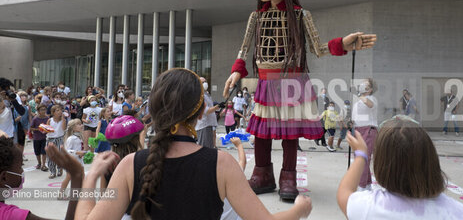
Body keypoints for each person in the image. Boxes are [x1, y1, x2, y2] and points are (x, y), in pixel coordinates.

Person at [223, 0, 377, 199]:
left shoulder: (300, 15)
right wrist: (236, 71)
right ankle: (262, 175)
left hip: (292, 82)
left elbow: (317, 48)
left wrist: (344, 44)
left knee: (289, 134)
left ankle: (288, 176)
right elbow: (244, 49)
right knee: (261, 133)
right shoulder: (256, 17)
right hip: (265, 83)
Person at [75, 68, 312, 220]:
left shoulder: (130, 165)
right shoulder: (222, 165)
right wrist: (299, 210)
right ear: (200, 114)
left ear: (154, 111)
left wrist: (91, 176)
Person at [337, 116, 463, 219]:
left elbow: (344, 192)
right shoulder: (458, 213)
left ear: (383, 165)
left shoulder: (369, 207)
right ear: (431, 160)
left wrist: (361, 155)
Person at [351, 78, 378, 190]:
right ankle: (366, 186)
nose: (362, 85)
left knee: (362, 159)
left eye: (365, 84)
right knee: (361, 158)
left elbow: (370, 104)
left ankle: (360, 187)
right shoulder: (358, 101)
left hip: (368, 130)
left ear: (370, 89)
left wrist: (357, 94)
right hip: (358, 130)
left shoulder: (371, 98)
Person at [60, 118, 85, 198]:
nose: (81, 125)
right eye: (78, 124)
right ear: (73, 128)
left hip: (79, 160)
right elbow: (68, 151)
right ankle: (61, 193)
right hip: (71, 161)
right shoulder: (71, 139)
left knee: (82, 176)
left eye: (81, 124)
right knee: (69, 177)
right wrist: (78, 153)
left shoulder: (79, 137)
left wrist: (82, 154)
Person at [195, 77, 220, 148]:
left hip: (208, 124)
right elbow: (206, 111)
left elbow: (210, 107)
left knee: (209, 147)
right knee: (204, 147)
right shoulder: (199, 95)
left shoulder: (206, 94)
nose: (205, 83)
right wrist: (216, 107)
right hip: (203, 125)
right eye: (202, 82)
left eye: (205, 81)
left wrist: (218, 107)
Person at [46, 104, 67, 178]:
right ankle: (52, 171)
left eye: (60, 110)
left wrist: (63, 119)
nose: (60, 112)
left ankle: (59, 168)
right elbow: (47, 130)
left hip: (59, 138)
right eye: (57, 110)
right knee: (51, 155)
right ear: (53, 112)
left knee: (59, 154)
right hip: (50, 139)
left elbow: (64, 128)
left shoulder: (62, 120)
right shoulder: (50, 120)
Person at [30, 104, 49, 171]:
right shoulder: (35, 119)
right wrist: (38, 129)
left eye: (44, 109)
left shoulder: (47, 118)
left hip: (45, 137)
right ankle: (39, 163)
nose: (43, 111)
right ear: (38, 111)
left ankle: (43, 165)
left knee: (44, 152)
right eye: (41, 110)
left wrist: (47, 129)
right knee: (37, 152)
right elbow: (31, 128)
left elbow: (49, 126)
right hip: (37, 138)